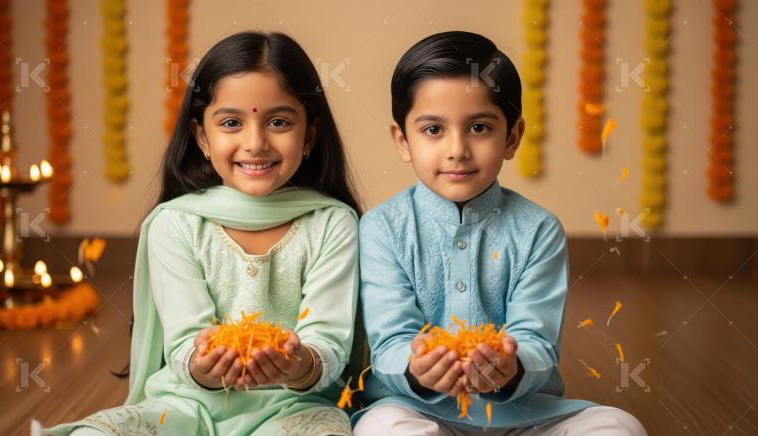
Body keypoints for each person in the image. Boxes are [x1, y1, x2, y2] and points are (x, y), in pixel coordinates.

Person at [37, 31, 361, 436]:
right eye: (231, 123)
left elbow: (328, 342)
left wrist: (298, 365)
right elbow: (184, 343)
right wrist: (202, 364)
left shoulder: (332, 224)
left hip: (296, 409)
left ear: (309, 135)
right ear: (203, 137)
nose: (255, 143)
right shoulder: (176, 223)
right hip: (185, 404)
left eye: (278, 122)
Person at [352, 31, 647, 436]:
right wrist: (416, 367)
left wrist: (512, 365)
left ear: (512, 137)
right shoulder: (382, 228)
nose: (457, 149)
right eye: (433, 130)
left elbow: (537, 338)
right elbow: (390, 340)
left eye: (478, 127)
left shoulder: (538, 229)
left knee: (620, 426)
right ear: (403, 141)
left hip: (523, 416)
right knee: (383, 427)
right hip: (417, 411)